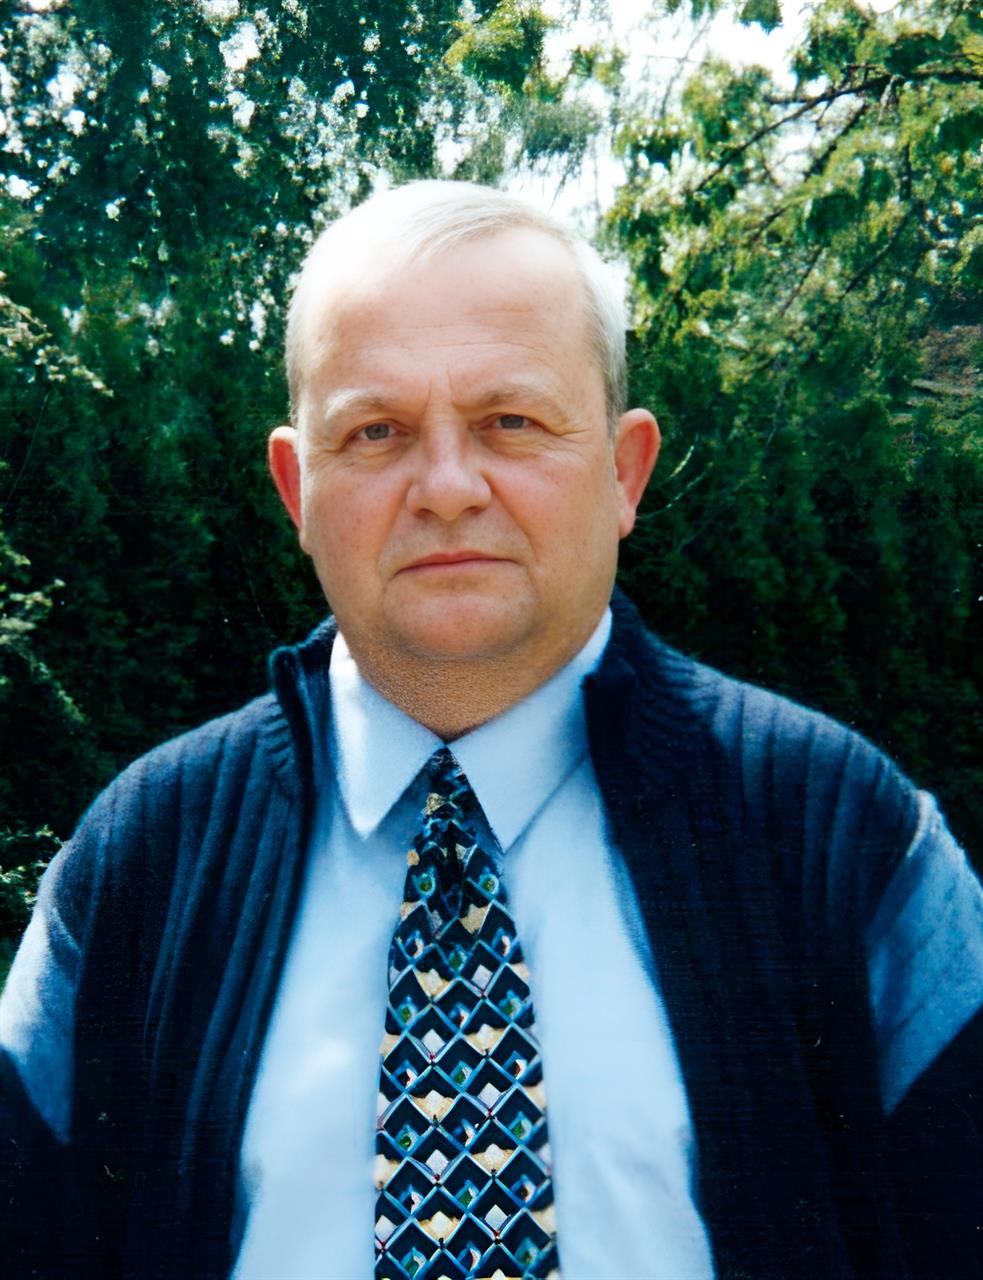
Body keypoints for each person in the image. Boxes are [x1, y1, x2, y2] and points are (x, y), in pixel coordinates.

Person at [1, 180, 981, 1280]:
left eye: (509, 421)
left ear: (623, 470)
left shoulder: (848, 841)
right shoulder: (137, 864)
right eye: (375, 432)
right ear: (296, 489)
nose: (447, 486)